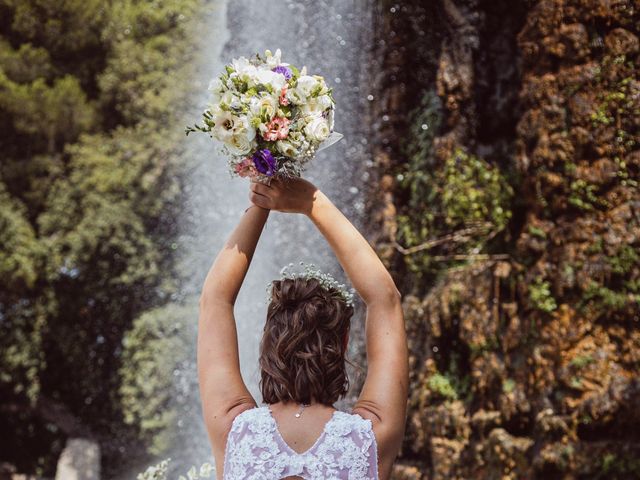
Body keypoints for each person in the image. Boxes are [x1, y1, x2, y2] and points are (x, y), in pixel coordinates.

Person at [197, 176, 408, 480]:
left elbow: (215, 300)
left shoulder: (233, 430)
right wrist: (311, 201)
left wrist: (261, 201)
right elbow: (384, 300)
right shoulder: (372, 437)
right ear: (344, 340)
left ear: (267, 342)